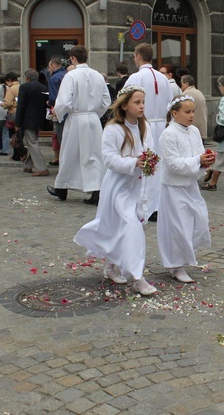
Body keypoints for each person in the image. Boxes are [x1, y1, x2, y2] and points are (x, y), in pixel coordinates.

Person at [73, 85, 158, 296]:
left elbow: (149, 151)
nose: (141, 106)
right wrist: (133, 163)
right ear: (125, 104)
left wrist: (150, 162)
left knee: (119, 228)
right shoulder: (113, 128)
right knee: (131, 227)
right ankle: (138, 277)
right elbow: (109, 159)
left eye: (143, 102)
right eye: (137, 102)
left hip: (136, 186)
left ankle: (110, 266)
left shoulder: (144, 126)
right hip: (118, 187)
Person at [158, 95, 215, 283]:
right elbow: (172, 164)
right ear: (175, 113)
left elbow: (198, 154)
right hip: (173, 187)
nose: (191, 115)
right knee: (178, 227)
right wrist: (197, 161)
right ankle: (177, 265)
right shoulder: (168, 134)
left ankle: (187, 256)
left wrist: (205, 160)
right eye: (187, 111)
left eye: (193, 111)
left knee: (198, 219)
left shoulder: (194, 132)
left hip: (190, 184)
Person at [46, 46, 110, 204]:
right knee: (94, 155)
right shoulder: (98, 76)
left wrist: (59, 114)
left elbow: (64, 101)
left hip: (76, 119)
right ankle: (97, 191)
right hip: (93, 121)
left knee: (69, 153)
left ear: (73, 59)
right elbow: (106, 101)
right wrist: (96, 114)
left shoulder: (71, 76)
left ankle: (62, 188)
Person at [125, 43, 174, 221]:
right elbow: (170, 104)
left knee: (143, 164)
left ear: (138, 56)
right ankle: (158, 205)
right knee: (158, 166)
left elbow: (125, 101)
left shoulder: (135, 77)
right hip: (161, 126)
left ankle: (143, 204)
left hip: (142, 125)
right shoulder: (163, 79)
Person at [15, 69, 49, 177]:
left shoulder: (24, 87)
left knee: (32, 143)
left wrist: (17, 122)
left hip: (27, 119)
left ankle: (41, 168)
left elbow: (21, 105)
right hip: (39, 119)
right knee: (32, 142)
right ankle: (28, 165)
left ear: (27, 77)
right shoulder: (43, 87)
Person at [46, 58, 67, 166]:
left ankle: (64, 164)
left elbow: (54, 98)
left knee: (61, 138)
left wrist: (49, 103)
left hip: (60, 113)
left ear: (54, 65)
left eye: (49, 66)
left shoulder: (54, 78)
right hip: (72, 112)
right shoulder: (67, 74)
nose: (48, 69)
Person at [181, 75, 207, 141]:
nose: (181, 87)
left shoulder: (186, 94)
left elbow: (182, 110)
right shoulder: (199, 92)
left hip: (192, 127)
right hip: (201, 126)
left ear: (186, 84)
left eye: (182, 84)